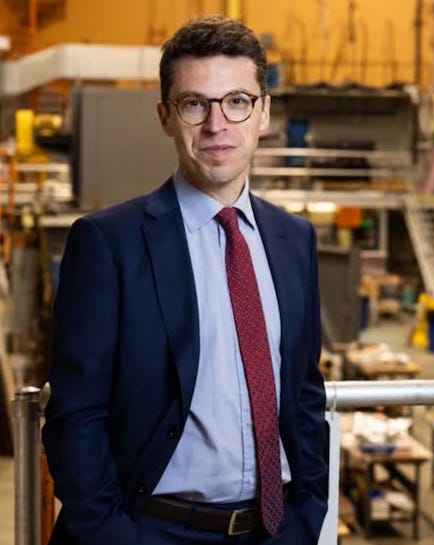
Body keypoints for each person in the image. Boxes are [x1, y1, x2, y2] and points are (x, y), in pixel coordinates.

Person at [42, 16, 328, 545]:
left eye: (237, 101)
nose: (218, 124)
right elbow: (75, 414)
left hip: (273, 530)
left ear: (264, 112)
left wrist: (307, 513)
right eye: (195, 104)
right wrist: (113, 534)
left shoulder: (294, 240)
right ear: (165, 117)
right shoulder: (108, 243)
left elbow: (305, 395)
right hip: (152, 529)